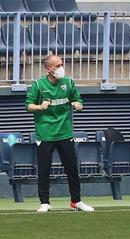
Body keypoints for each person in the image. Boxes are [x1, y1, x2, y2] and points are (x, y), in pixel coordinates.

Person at [25, 55, 94, 213]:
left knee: (71, 168)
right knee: (44, 169)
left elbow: (79, 101)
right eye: (57, 65)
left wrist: (79, 105)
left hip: (65, 133)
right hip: (45, 134)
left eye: (62, 64)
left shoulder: (69, 83)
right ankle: (44, 202)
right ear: (48, 69)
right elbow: (28, 106)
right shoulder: (38, 85)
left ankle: (76, 201)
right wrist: (40, 107)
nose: (61, 68)